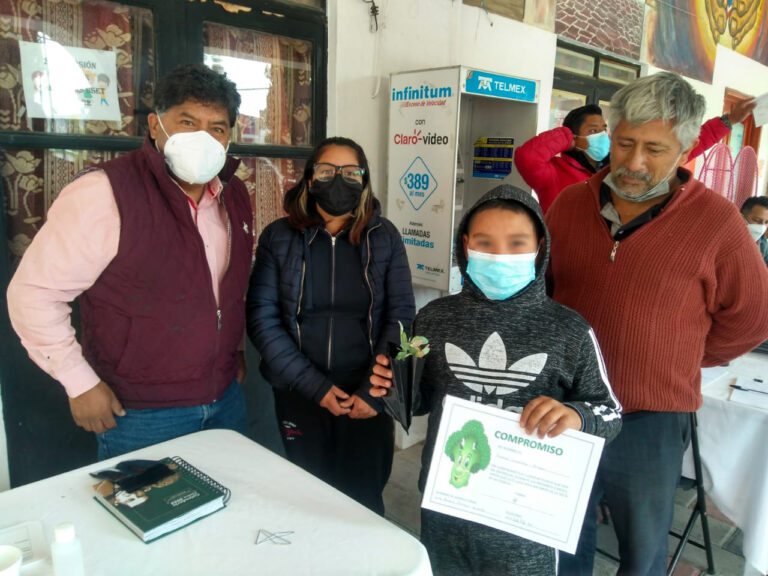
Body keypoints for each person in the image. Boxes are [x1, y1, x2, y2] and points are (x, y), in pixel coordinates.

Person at [546, 71, 768, 575]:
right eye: (624, 143)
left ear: (685, 149)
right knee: (561, 539)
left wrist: (680, 353)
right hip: (567, 407)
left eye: (654, 149)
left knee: (643, 554)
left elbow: (752, 318)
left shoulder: (716, 221)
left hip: (650, 419)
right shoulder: (570, 204)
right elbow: (545, 292)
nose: (634, 163)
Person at [369, 184, 622, 575]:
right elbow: (421, 401)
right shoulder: (435, 319)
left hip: (525, 523)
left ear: (540, 247)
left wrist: (576, 416)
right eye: (485, 243)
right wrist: (393, 388)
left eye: (517, 243)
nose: (500, 255)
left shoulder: (568, 330)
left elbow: (610, 413)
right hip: (447, 505)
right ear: (465, 245)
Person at [7, 64, 253, 460]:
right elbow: (33, 294)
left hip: (225, 397)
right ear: (156, 126)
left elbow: (229, 287)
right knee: (150, 503)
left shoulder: (234, 192)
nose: (203, 137)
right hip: (142, 412)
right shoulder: (105, 192)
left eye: (217, 128)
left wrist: (233, 350)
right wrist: (79, 382)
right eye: (188, 122)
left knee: (231, 494)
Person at [246, 136, 415, 515]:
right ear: (309, 180)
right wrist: (315, 386)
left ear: (364, 180)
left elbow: (401, 315)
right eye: (327, 171)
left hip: (366, 395)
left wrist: (375, 392)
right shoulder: (279, 236)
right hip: (300, 392)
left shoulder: (384, 236)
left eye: (351, 172)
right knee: (308, 499)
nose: (339, 179)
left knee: (363, 502)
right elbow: (262, 318)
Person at [515, 99, 758, 213]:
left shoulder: (618, 164)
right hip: (563, 260)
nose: (602, 135)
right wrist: (566, 137)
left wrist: (727, 122)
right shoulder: (553, 173)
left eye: (603, 129)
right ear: (575, 137)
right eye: (593, 131)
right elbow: (527, 157)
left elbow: (677, 150)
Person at [741, 196, 768, 267]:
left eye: (766, 222)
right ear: (741, 217)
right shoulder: (727, 239)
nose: (762, 226)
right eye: (757, 220)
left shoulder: (762, 242)